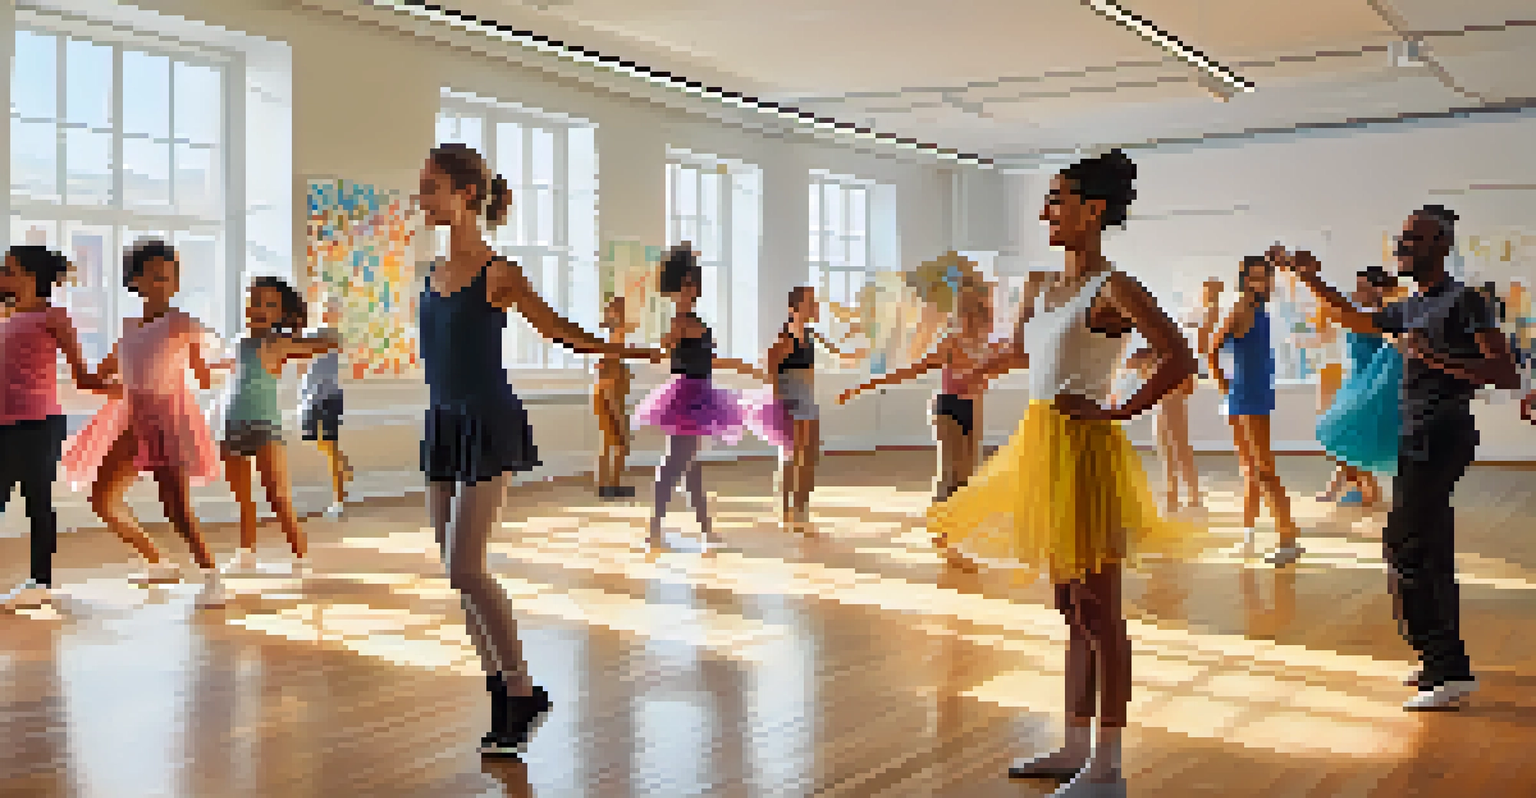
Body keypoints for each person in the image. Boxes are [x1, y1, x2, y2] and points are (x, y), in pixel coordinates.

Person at [929, 150, 1203, 798]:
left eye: (1058, 199)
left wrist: (1119, 410)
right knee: (1067, 604)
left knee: (1100, 609)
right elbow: (1025, 350)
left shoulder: (1114, 288)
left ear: (1093, 210)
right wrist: (978, 370)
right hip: (1041, 445)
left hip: (1085, 449)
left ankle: (1108, 767)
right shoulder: (1037, 285)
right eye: (1047, 198)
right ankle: (1075, 744)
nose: (1046, 210)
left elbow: (1179, 357)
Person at [414, 142, 657, 756]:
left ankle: (523, 690)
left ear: (468, 194)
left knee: (468, 566)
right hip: (443, 422)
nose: (423, 197)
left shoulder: (499, 272)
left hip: (487, 420)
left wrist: (625, 351)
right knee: (456, 574)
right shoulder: (431, 274)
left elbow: (559, 331)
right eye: (423, 186)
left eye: (433, 186)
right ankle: (502, 694)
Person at [1282, 206, 1519, 710]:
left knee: (1407, 546)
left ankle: (1447, 668)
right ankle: (1441, 662)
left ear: (1441, 245)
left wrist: (1435, 360)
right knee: (1424, 548)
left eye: (1414, 240)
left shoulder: (1465, 302)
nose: (1402, 246)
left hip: (1442, 434)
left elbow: (1504, 371)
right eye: (1402, 238)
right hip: (1415, 436)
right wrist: (1311, 279)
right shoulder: (1412, 306)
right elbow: (1353, 318)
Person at [61, 239, 227, 608]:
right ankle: (157, 560)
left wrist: (226, 367)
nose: (165, 282)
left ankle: (212, 575)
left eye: (170, 276)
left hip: (168, 417)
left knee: (176, 508)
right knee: (102, 499)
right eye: (156, 276)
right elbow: (99, 377)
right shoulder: (130, 328)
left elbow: (201, 377)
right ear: (135, 281)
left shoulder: (182, 323)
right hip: (133, 418)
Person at [634, 244, 771, 552]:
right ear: (675, 288)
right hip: (685, 395)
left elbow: (710, 360)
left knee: (692, 466)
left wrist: (746, 368)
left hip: (701, 392)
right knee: (673, 465)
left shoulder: (693, 319)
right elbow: (665, 352)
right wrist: (665, 341)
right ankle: (654, 531)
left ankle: (705, 530)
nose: (690, 289)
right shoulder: (678, 321)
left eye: (693, 283)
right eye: (684, 284)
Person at [0, 246, 111, 610]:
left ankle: (41, 581)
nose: (3, 274)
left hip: (39, 425)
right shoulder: (7, 315)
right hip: (4, 425)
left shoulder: (55, 317)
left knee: (38, 503)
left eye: (9, 269)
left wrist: (120, 388)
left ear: (31, 277)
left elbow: (82, 375)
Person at [218, 277, 341, 578]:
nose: (259, 308)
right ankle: (246, 554)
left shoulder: (277, 342)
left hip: (264, 427)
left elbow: (326, 343)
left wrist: (318, 329)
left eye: (269, 304)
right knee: (242, 497)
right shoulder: (239, 342)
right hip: (232, 424)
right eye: (255, 300)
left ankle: (300, 557)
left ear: (280, 313)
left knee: (277, 496)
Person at [838, 282, 995, 502]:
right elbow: (910, 371)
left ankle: (956, 524)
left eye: (975, 312)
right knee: (951, 472)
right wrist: (862, 387)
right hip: (948, 408)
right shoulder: (950, 344)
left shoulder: (987, 347)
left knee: (967, 476)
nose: (971, 318)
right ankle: (941, 523)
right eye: (965, 312)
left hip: (973, 408)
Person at [1209, 254, 1302, 565]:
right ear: (1244, 278)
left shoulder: (1261, 310)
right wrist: (1226, 388)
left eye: (1265, 276)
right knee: (1257, 470)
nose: (1260, 282)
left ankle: (1272, 536)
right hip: (1244, 396)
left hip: (1254, 394)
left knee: (1259, 469)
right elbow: (1212, 350)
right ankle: (1268, 537)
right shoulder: (1241, 308)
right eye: (1255, 276)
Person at [754, 286, 864, 530]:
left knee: (810, 456)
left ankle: (801, 507)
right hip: (790, 400)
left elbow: (838, 353)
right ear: (794, 309)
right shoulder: (785, 339)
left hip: (808, 399)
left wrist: (854, 355)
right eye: (810, 303)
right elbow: (770, 369)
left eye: (815, 303)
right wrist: (778, 401)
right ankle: (786, 508)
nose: (815, 307)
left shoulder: (812, 335)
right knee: (792, 457)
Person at [1314, 266, 1403, 507]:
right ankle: (1348, 488)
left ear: (1377, 290)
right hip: (1356, 380)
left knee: (1347, 433)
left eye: (1363, 287)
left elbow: (1342, 314)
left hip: (1371, 384)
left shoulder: (1379, 318)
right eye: (1357, 286)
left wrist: (1311, 279)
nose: (1356, 291)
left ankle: (1364, 490)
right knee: (1348, 435)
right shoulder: (1362, 314)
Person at [1124, 345, 1200, 512]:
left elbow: (1189, 387)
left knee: (1180, 454)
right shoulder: (1155, 356)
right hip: (1162, 409)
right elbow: (1130, 366)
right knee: (1169, 455)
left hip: (1172, 408)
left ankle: (1192, 498)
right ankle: (1176, 497)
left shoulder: (1174, 358)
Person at [297, 297, 350, 518]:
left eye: (332, 309)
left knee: (330, 446)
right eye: (326, 308)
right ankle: (343, 465)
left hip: (330, 397)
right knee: (316, 441)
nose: (329, 312)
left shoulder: (335, 335)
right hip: (310, 398)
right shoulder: (312, 333)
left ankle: (338, 501)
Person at [593, 295, 637, 499]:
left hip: (607, 395)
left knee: (608, 443)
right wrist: (618, 413)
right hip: (609, 397)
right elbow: (609, 381)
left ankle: (605, 486)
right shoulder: (615, 342)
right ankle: (611, 485)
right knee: (621, 443)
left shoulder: (613, 342)